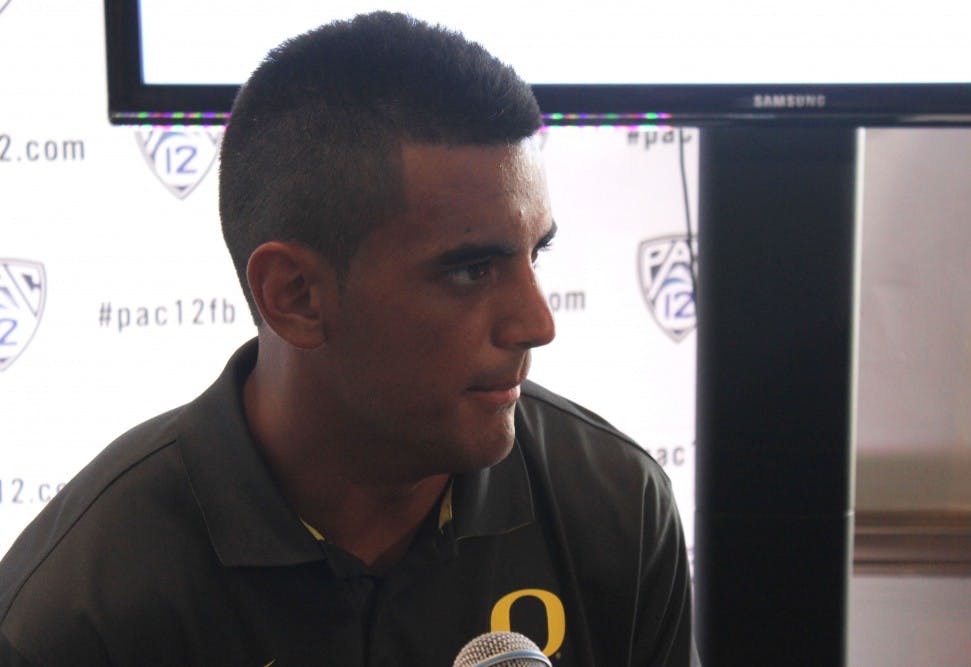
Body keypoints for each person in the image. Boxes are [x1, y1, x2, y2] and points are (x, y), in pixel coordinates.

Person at [0, 12, 697, 666]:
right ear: (294, 295)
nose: (537, 323)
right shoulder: (79, 612)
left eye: (534, 254)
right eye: (470, 269)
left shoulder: (612, 507)